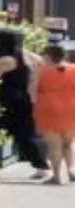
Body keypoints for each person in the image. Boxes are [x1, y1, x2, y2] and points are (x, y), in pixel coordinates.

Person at [0, 29, 44, 174]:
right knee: (25, 134)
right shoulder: (31, 57)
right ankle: (41, 166)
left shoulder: (5, 60)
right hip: (25, 99)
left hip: (7, 98)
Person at [34, 40, 75, 185]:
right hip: (71, 108)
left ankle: (57, 176)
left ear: (49, 57)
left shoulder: (41, 70)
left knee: (54, 146)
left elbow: (31, 91)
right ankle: (71, 170)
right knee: (68, 143)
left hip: (48, 108)